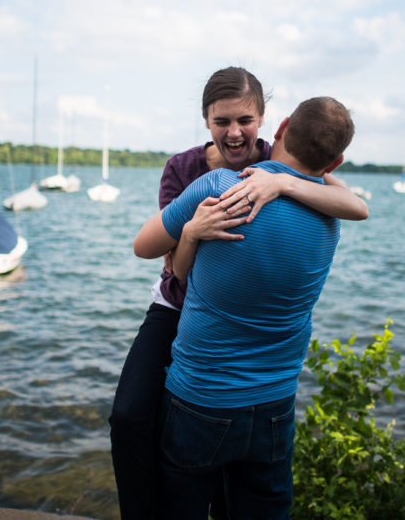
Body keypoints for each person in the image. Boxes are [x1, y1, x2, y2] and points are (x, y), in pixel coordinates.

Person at [109, 69, 367, 520]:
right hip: (176, 302)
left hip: (218, 329)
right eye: (221, 121)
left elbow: (355, 204)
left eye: (245, 121)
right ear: (206, 121)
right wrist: (191, 231)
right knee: (130, 416)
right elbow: (169, 262)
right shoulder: (186, 170)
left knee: (216, 463)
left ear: (271, 123)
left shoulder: (276, 165)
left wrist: (282, 182)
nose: (234, 132)